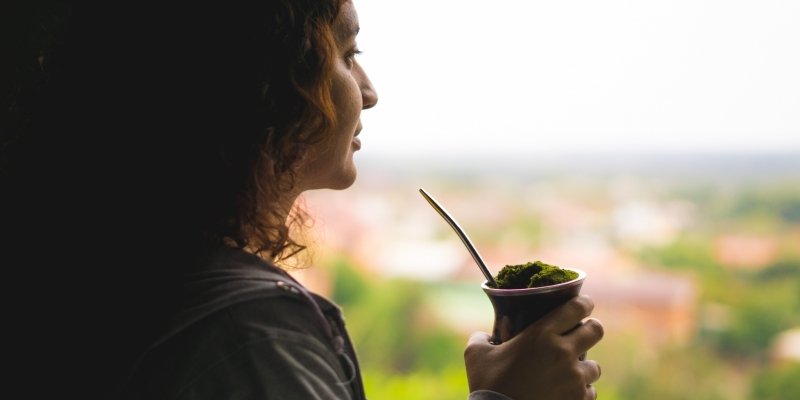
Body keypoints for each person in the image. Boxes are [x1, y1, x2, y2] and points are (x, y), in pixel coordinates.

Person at [2, 1, 603, 399]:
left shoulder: (122, 273)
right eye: (347, 54)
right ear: (262, 80)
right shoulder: (249, 333)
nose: (368, 93)